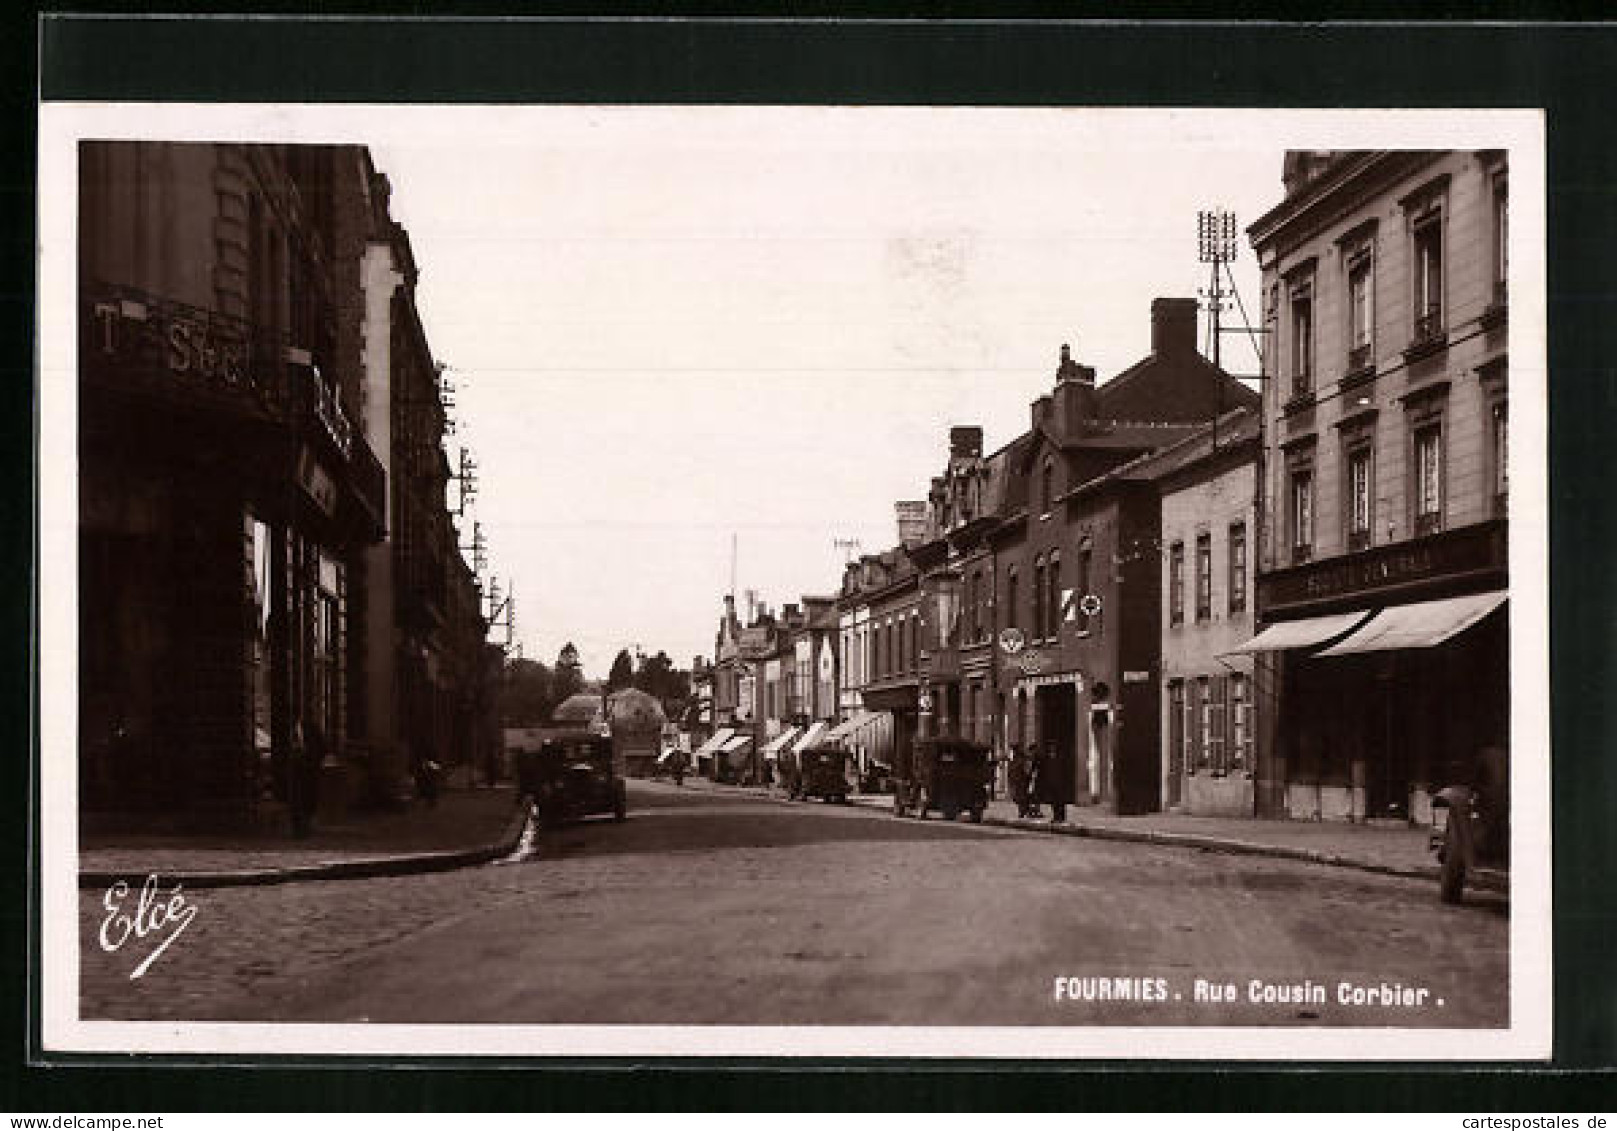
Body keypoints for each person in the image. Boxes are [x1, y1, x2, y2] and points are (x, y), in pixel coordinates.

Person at [1040, 738, 1070, 824]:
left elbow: (1065, 770)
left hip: (1060, 783)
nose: (1051, 748)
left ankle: (1062, 817)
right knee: (1053, 801)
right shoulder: (1047, 758)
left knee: (1060, 801)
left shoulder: (1061, 758)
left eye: (1053, 747)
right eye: (1050, 747)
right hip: (1051, 782)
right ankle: (1056, 816)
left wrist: (1065, 781)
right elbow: (1045, 770)